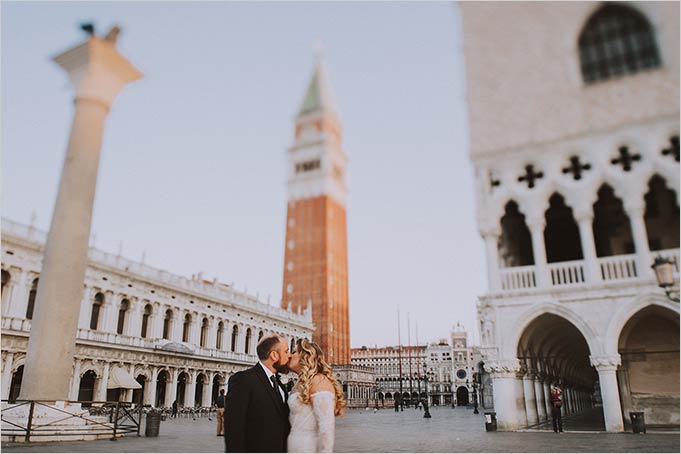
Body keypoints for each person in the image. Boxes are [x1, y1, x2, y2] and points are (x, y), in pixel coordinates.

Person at [225, 335, 292, 452]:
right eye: (286, 351)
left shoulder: (279, 384)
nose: (289, 355)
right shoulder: (244, 380)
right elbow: (234, 428)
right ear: (274, 355)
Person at [286, 338, 346, 453]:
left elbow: (326, 428)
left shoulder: (319, 381)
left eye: (294, 352)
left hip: (308, 448)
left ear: (305, 356)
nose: (289, 355)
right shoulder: (302, 382)